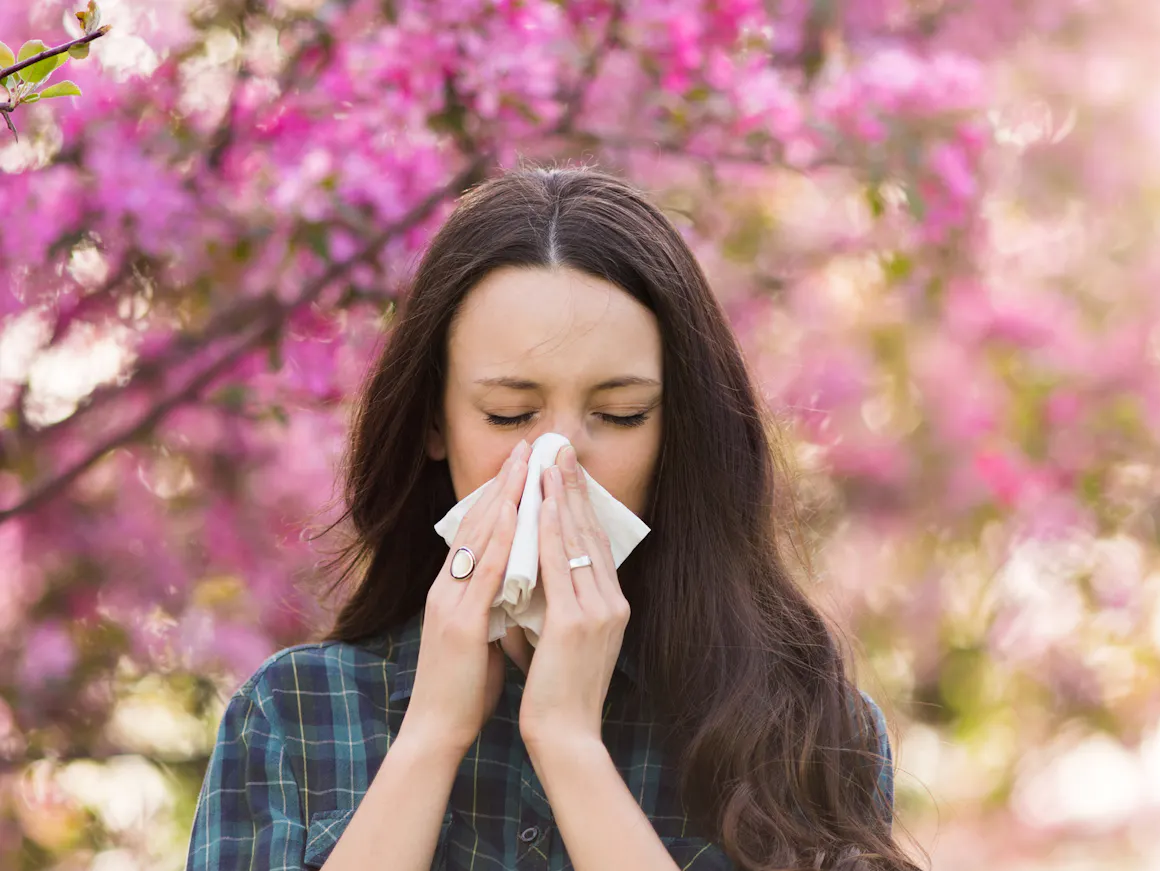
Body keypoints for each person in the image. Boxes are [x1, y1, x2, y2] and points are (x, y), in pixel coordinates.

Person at [185, 167, 911, 870]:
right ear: (434, 421)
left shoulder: (806, 732)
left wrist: (569, 746)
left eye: (620, 415)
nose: (559, 459)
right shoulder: (293, 716)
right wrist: (431, 734)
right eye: (510, 413)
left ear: (674, 429)